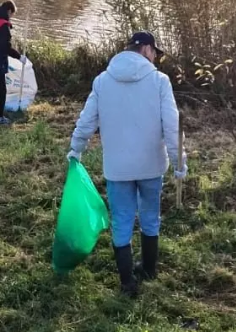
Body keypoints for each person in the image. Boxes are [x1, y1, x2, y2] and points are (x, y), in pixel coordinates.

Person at [67, 32, 186, 297]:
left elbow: (87, 120)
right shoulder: (159, 81)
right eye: (155, 52)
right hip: (151, 165)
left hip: (118, 168)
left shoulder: (102, 81)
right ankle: (149, 269)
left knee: (121, 221)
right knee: (149, 217)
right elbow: (172, 125)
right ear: (145, 49)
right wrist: (179, 161)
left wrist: (76, 149)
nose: (155, 58)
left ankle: (127, 282)